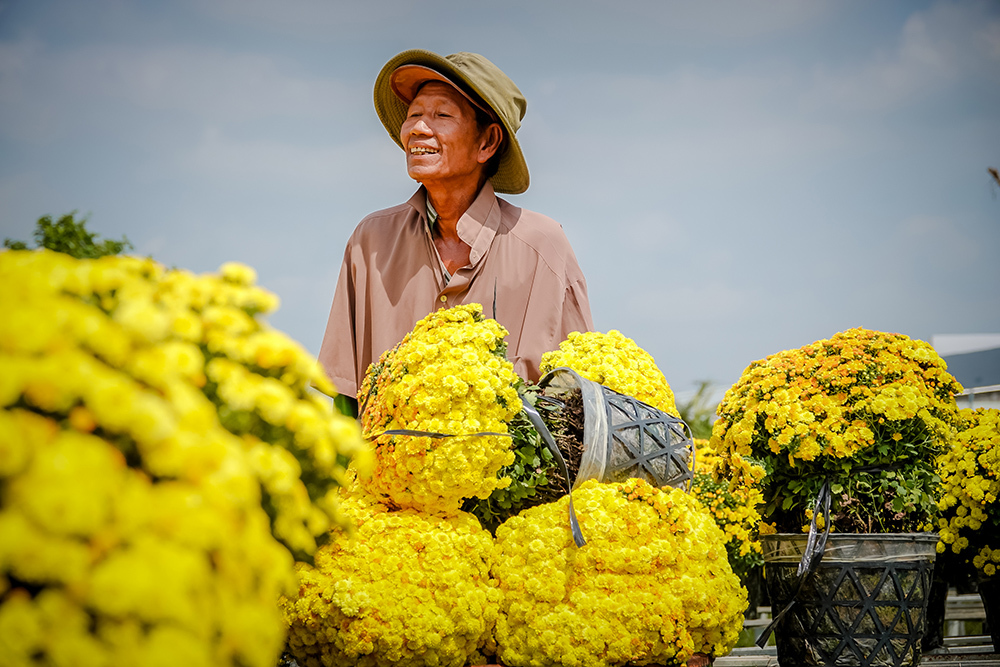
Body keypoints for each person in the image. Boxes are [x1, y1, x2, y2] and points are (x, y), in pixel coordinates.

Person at [319, 49, 593, 413]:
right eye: (414, 114)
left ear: (487, 143)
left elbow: (579, 399)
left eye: (441, 115)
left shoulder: (544, 246)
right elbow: (345, 397)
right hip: (388, 467)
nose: (417, 127)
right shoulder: (370, 241)